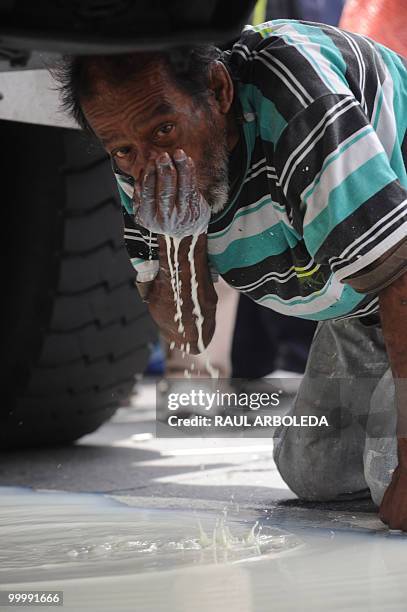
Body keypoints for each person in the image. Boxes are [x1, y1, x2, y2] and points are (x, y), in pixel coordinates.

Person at [56, 19, 407, 529]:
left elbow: (399, 278)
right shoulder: (139, 156)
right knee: (311, 471)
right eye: (124, 150)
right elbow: (190, 333)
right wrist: (179, 238)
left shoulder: (294, 95)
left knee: (388, 472)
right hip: (362, 309)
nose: (152, 165)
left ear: (218, 90)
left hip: (397, 281)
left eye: (165, 130)